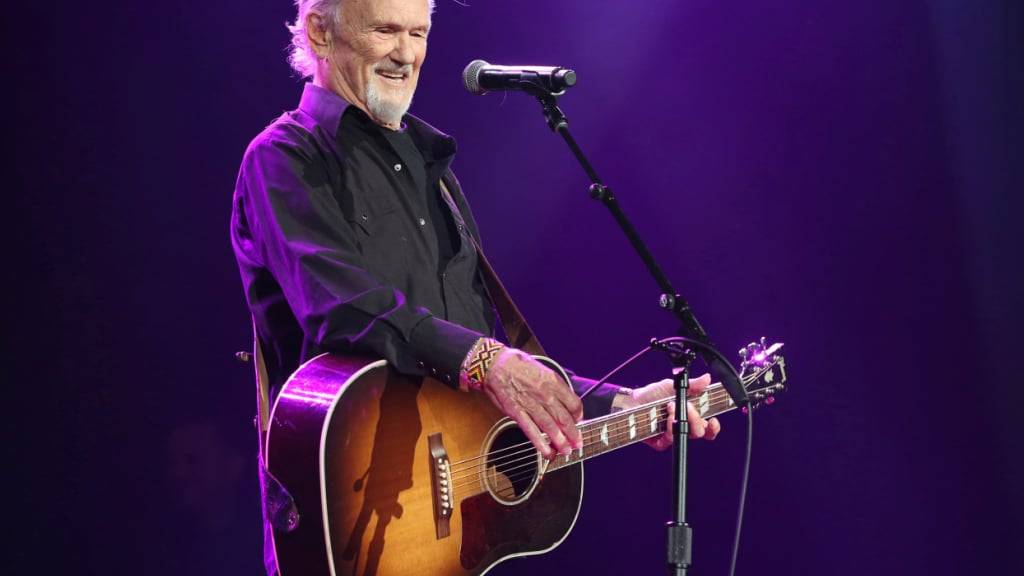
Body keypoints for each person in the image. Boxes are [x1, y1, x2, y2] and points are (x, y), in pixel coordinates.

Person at [231, 0, 720, 572]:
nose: (406, 53)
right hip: (351, 528)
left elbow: (479, 361)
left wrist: (621, 401)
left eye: (418, 32)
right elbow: (339, 305)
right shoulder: (285, 157)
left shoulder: (432, 170)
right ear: (320, 31)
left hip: (451, 540)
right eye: (385, 30)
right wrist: (486, 360)